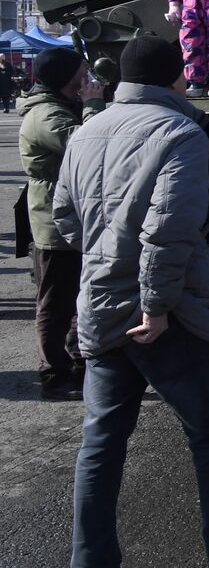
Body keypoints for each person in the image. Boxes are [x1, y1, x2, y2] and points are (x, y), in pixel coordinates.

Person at [52, 35, 209, 568]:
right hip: (166, 314)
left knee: (101, 444)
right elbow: (170, 228)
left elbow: (64, 219)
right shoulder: (180, 132)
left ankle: (89, 561)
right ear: (176, 78)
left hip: (99, 303)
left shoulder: (85, 131)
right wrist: (156, 304)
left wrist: (105, 256)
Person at [19, 47, 105, 401]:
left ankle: (76, 363)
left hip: (69, 217)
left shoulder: (59, 106)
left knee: (76, 298)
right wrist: (93, 105)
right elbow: (86, 148)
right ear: (64, 77)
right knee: (54, 304)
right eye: (81, 70)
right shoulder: (46, 115)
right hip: (53, 225)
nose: (87, 75)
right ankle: (52, 376)